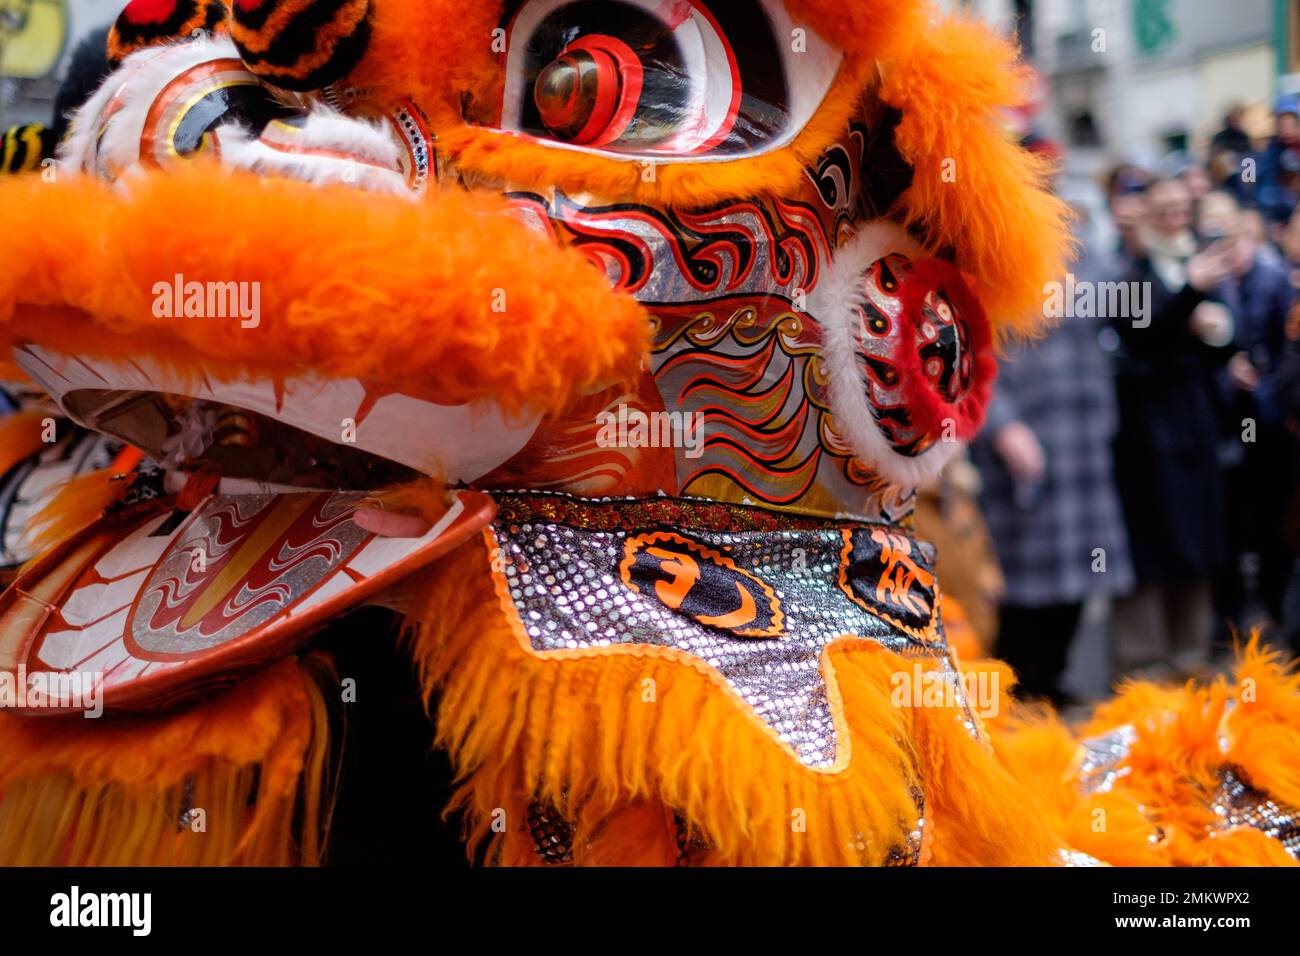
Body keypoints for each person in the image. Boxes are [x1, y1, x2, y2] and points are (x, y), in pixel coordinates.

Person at [972, 193, 1134, 706]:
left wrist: (1136, 235)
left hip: (1084, 441)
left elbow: (1126, 299)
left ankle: (1052, 683)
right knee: (1021, 580)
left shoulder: (1085, 257)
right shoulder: (989, 267)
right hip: (1023, 442)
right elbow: (971, 351)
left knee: (1083, 574)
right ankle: (1017, 693)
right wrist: (1002, 425)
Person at [1107, 176, 1237, 679]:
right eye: (1163, 208)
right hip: (1148, 426)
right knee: (1154, 536)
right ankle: (1144, 659)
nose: (1173, 217)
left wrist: (1216, 330)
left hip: (1195, 419)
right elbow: (1144, 339)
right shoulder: (1131, 273)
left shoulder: (1197, 263)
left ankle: (1191, 652)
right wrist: (1189, 298)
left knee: (1200, 534)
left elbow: (1223, 345)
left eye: (1181, 208)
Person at [1203, 192, 1296, 640]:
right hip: (1222, 423)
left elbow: (1287, 351)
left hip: (1268, 423)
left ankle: (1274, 613)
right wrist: (1228, 372)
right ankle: (1230, 621)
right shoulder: (1210, 282)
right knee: (1228, 524)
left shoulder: (1275, 281)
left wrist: (1261, 382)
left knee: (1272, 523)